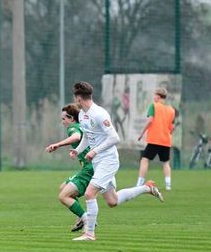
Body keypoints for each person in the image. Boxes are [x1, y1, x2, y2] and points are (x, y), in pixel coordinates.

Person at [69, 82, 164, 242]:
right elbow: (87, 136)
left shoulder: (99, 114)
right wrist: (78, 150)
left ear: (78, 98)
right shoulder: (82, 115)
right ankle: (147, 188)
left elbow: (114, 138)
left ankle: (89, 234)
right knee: (112, 201)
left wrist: (95, 151)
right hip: (98, 161)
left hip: (108, 160)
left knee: (90, 193)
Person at [45, 103, 93, 232]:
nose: (62, 122)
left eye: (64, 119)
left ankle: (87, 219)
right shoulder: (81, 126)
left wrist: (58, 144)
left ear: (71, 118)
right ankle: (82, 217)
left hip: (89, 169)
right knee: (63, 187)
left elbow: (76, 137)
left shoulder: (73, 128)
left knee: (63, 196)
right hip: (90, 167)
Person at [136, 87, 175, 190]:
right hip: (166, 140)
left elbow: (150, 120)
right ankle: (168, 185)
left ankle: (139, 184)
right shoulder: (171, 110)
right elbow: (172, 127)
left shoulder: (154, 106)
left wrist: (141, 133)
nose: (153, 97)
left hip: (154, 139)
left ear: (158, 97)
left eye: (154, 95)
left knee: (144, 160)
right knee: (166, 162)